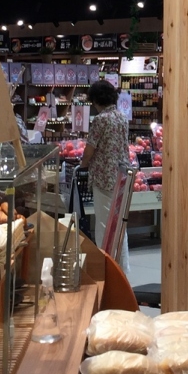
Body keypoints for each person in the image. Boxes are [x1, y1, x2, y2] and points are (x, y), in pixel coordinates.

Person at [79, 80, 131, 274]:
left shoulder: (101, 120)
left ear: (96, 99)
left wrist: (83, 165)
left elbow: (89, 150)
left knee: (104, 225)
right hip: (122, 176)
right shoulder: (122, 117)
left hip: (104, 178)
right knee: (119, 225)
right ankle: (122, 269)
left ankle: (107, 269)